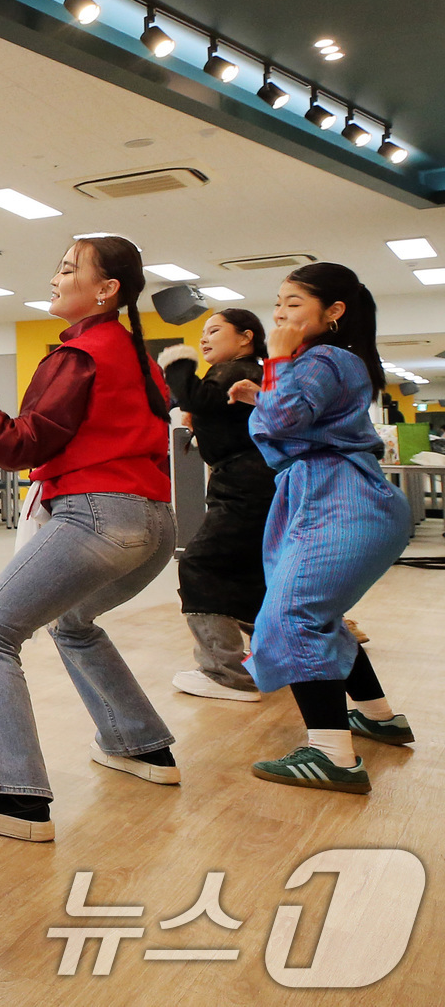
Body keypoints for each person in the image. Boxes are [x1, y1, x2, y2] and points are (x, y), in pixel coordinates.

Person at [0, 234, 177, 844]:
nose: (55, 278)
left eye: (69, 269)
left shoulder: (79, 355)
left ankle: (10, 792)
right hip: (155, 523)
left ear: (106, 290)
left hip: (98, 517)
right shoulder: (136, 357)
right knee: (73, 624)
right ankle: (140, 743)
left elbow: (17, 447)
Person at [232, 263, 413, 793]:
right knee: (318, 616)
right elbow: (301, 415)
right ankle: (379, 717)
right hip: (339, 493)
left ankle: (333, 755)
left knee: (292, 617)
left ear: (334, 312)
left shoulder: (323, 357)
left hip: (337, 495)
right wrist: (261, 393)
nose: (279, 314)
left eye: (293, 304)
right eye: (278, 303)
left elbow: (283, 421)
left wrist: (275, 362)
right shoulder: (330, 361)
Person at [156, 310, 276, 701]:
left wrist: (178, 364)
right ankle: (279, 657)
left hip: (244, 485)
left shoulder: (237, 370)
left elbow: (198, 397)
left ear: (246, 337)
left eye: (215, 330)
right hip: (249, 483)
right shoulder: (243, 372)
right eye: (203, 332)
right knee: (249, 574)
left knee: (200, 564)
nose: (205, 338)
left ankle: (225, 674)